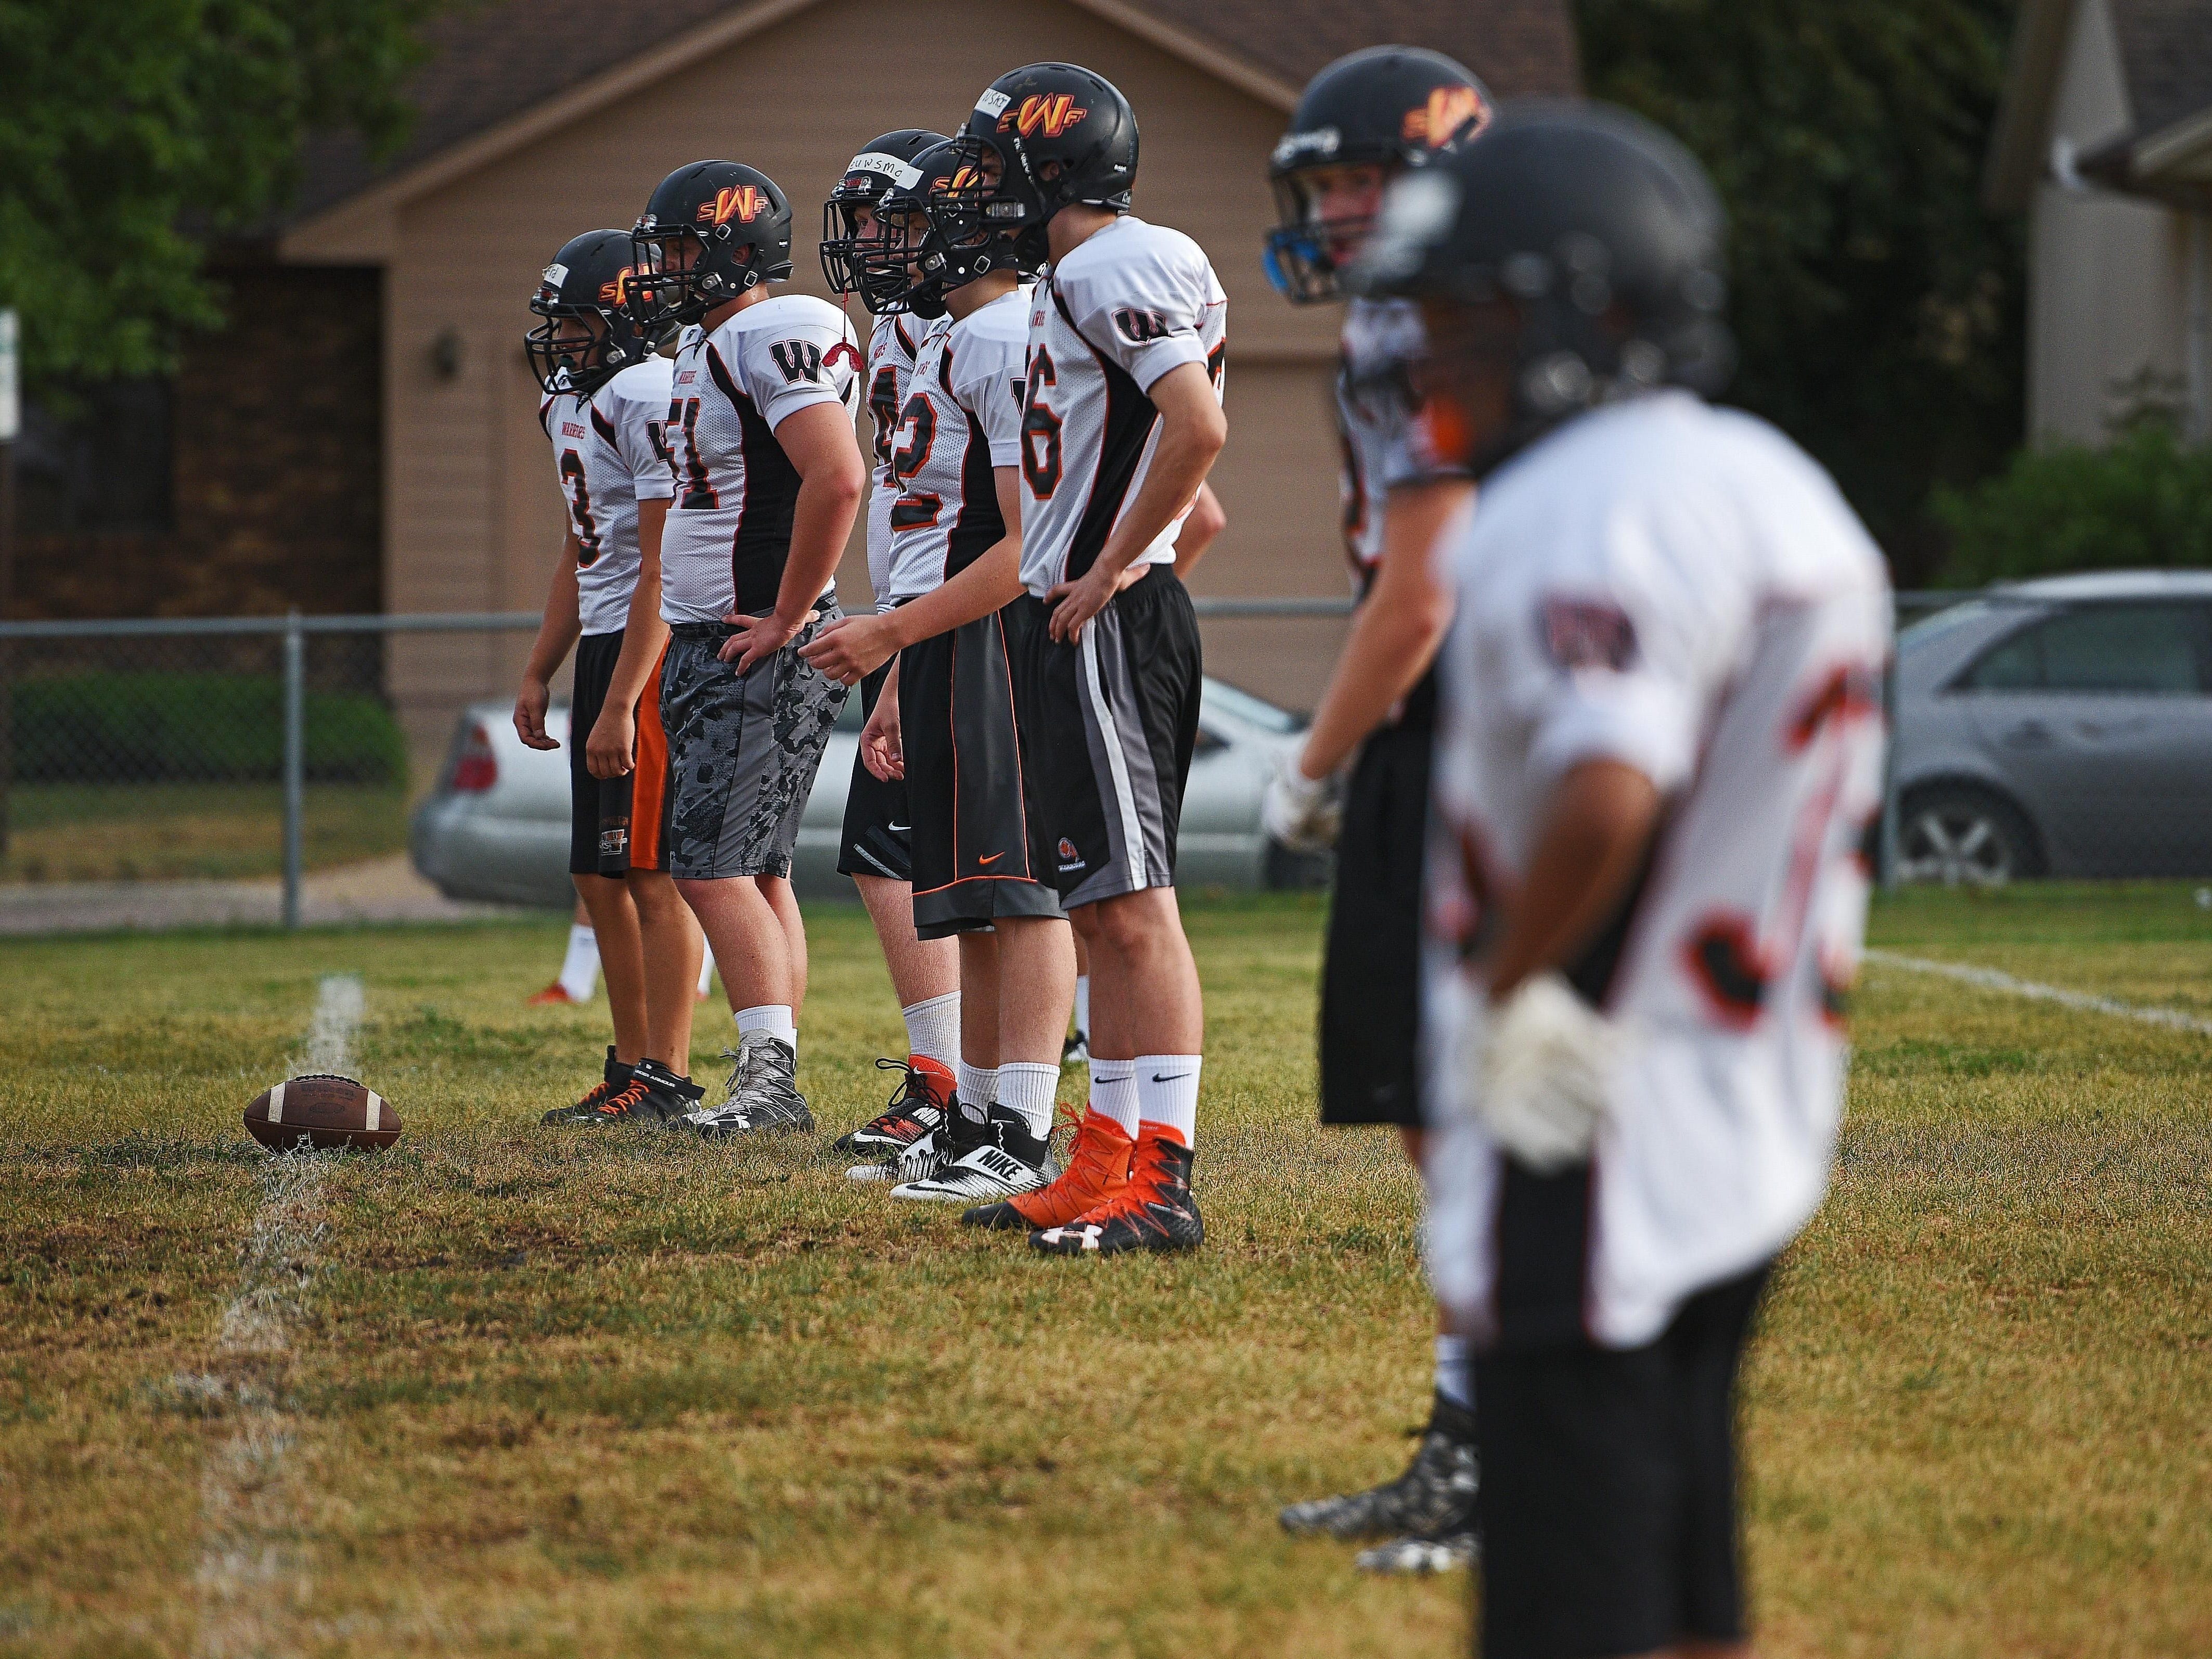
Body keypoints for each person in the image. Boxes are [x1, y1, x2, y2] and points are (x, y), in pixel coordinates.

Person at [1351, 100, 1888, 1658]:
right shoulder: (1766, 480)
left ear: (1586, 309)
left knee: (1568, 1588)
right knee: (1677, 1534)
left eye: (1469, 313)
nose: (1436, 354)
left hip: (1593, 1086)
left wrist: (1515, 983)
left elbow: (1606, 777)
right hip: (1736, 1082)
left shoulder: (1587, 501)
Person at [853, 62, 1226, 1256]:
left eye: (993, 161)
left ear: (1050, 167)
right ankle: (1105, 1155)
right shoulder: (1071, 276)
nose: (973, 188)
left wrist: (1113, 562)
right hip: (1077, 615)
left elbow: (1198, 424)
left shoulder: (1115, 257)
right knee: (1101, 905)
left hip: (1105, 611)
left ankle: (1159, 1174)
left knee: (1136, 908)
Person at [1258, 48, 1495, 1574]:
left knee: (1466, 1104)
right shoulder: (1476, 305)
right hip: (1505, 708)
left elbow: (1415, 598)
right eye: (1325, 181)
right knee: (1446, 1106)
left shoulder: (1420, 322)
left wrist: (1313, 765)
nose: (1340, 208)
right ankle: (1475, 1434)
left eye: (1366, 178)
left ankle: (1498, 1448)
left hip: (1456, 718)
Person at [819, 138, 1078, 1202]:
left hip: (991, 633)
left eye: (922, 224)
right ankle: (975, 1109)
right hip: (942, 634)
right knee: (966, 894)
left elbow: (1028, 542)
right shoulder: (947, 333)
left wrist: (891, 633)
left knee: (1020, 891)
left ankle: (1019, 1124)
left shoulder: (1006, 331)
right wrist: (899, 661)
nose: (904, 247)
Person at [624, 160, 867, 1137]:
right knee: (758, 867)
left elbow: (837, 477)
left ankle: (769, 1082)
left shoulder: (774, 329)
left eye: (683, 247)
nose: (667, 268)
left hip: (749, 640)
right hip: (727, 636)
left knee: (711, 868)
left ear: (734, 250)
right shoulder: (713, 340)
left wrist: (786, 613)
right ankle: (771, 1070)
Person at [514, 228, 709, 1128]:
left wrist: (627, 696)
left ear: (627, 320)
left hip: (648, 645)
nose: (562, 339)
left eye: (578, 322)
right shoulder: (573, 403)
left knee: (648, 871)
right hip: (600, 640)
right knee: (598, 877)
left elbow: (664, 564)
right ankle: (629, 1063)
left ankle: (664, 1073)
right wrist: (540, 667)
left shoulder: (642, 391)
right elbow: (578, 546)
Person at [818, 130, 967, 1160]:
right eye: (863, 220)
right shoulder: (905, 326)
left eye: (888, 220)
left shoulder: (961, 330)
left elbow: (959, 506)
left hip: (951, 617)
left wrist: (905, 658)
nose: (869, 241)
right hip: (924, 613)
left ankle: (949, 1085)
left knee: (898, 852)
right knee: (906, 853)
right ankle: (961, 1082)